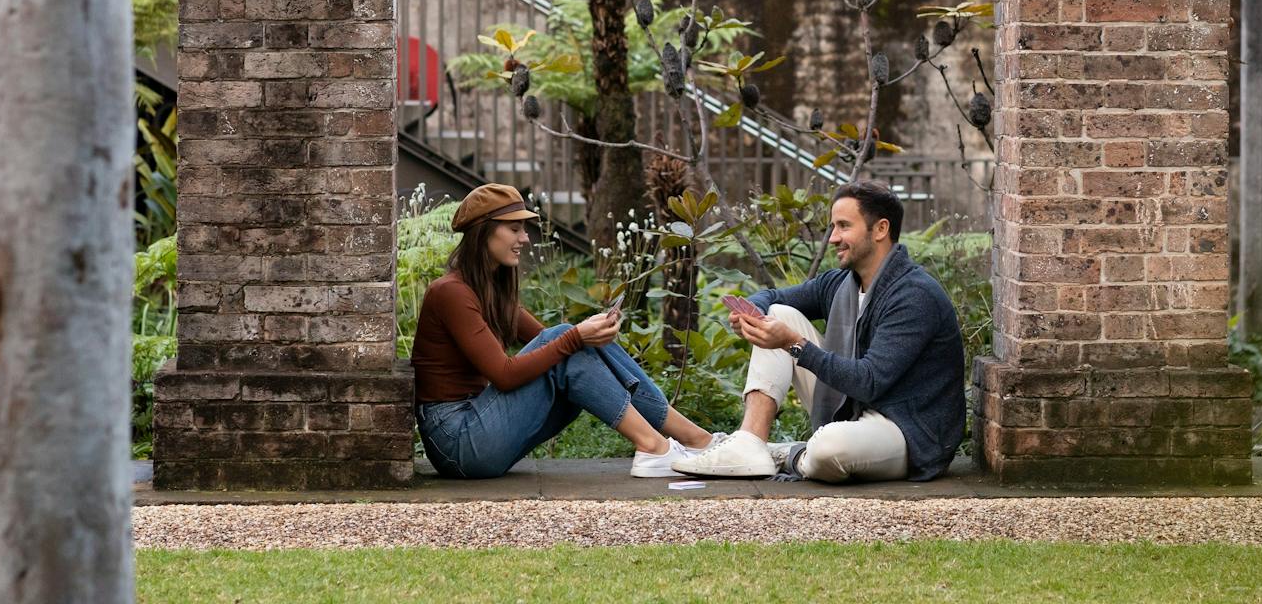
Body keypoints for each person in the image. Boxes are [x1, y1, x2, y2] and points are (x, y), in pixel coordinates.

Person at [411, 183, 716, 478]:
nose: (525, 239)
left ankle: (697, 440)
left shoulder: (487, 289)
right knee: (569, 339)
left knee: (573, 341)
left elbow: (556, 346)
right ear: (483, 232)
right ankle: (655, 447)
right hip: (456, 441)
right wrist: (576, 337)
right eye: (514, 229)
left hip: (477, 429)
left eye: (524, 229)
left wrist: (592, 336)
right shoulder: (450, 292)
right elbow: (504, 374)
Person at [673, 180, 965, 483]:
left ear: (880, 230)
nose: (833, 238)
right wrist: (753, 314)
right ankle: (749, 442)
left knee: (829, 448)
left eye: (843, 226)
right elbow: (774, 298)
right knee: (776, 314)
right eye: (832, 227)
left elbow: (869, 381)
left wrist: (793, 343)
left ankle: (787, 454)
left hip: (907, 431)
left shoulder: (914, 295)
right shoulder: (841, 284)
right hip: (854, 409)